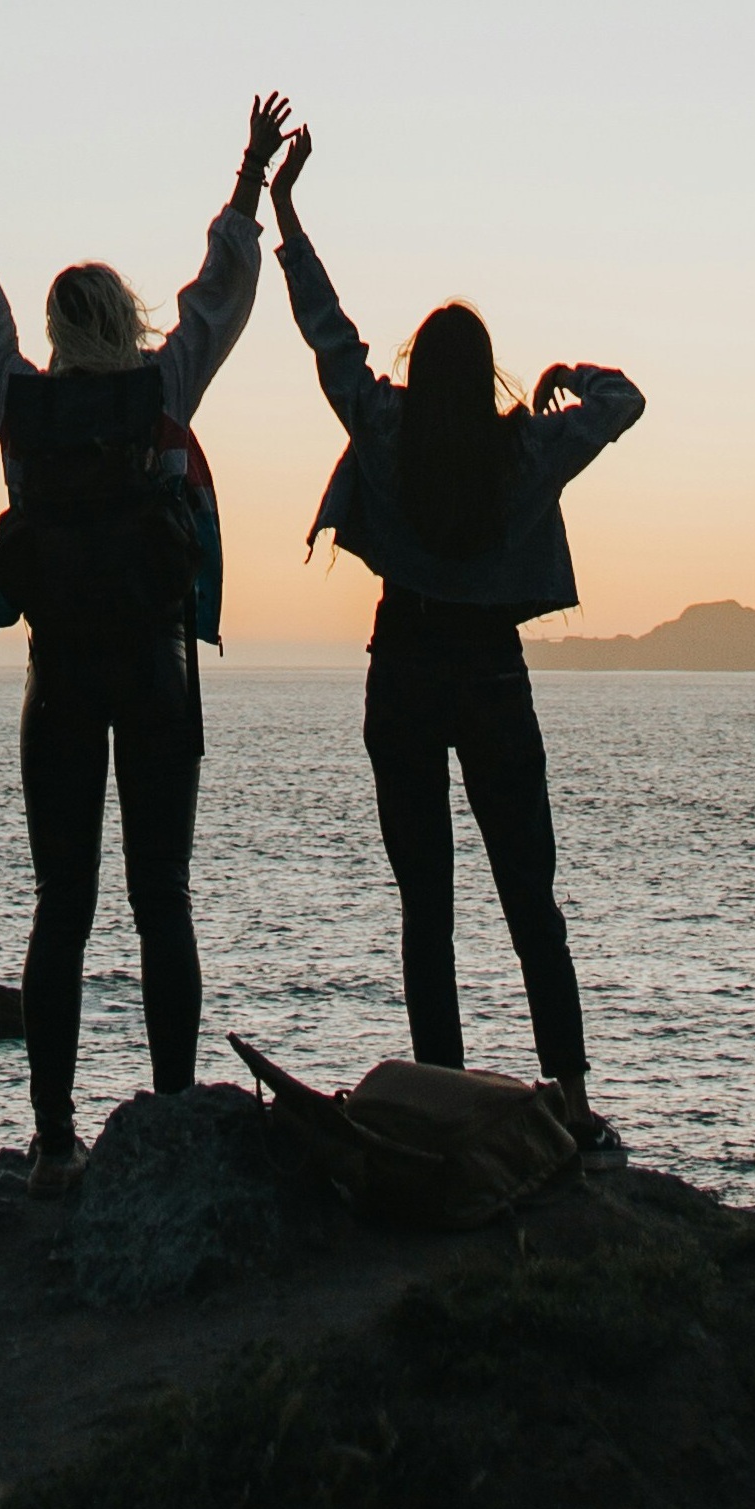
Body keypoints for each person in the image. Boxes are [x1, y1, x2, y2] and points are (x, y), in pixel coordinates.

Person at [0, 93, 290, 1195]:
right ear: (127, 317)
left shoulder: (19, 405)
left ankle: (53, 1139)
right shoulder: (165, 391)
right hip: (158, 675)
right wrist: (248, 172)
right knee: (162, 894)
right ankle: (162, 1113)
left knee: (60, 904)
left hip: (56, 680)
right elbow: (224, 292)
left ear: (59, 331)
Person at [266, 125, 641, 1153]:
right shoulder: (527, 447)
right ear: (484, 373)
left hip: (404, 667)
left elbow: (324, 330)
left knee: (422, 901)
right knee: (529, 894)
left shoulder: (380, 428)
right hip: (489, 671)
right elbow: (624, 404)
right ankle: (565, 1093)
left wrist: (286, 210)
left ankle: (434, 1093)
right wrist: (570, 370)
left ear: (414, 368)